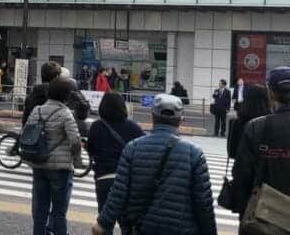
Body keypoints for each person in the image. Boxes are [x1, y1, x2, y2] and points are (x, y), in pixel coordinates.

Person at [91, 94, 217, 235]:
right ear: (180, 120)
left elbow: (118, 192)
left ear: (152, 117)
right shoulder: (194, 153)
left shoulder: (132, 148)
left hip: (141, 228)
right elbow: (203, 203)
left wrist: (104, 222)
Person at [232, 66, 290, 219]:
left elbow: (241, 175)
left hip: (263, 216)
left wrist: (244, 211)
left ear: (270, 93)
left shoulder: (256, 126)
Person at [29, 78, 83, 235]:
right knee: (59, 211)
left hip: (39, 164)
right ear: (65, 95)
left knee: (40, 209)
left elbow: (27, 134)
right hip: (60, 168)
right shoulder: (65, 113)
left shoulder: (37, 110)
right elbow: (75, 140)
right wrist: (77, 160)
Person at [87, 92, 145, 213]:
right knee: (127, 223)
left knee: (104, 222)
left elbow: (91, 150)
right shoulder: (134, 127)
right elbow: (143, 152)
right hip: (126, 180)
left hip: (104, 178)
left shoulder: (96, 126)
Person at [227, 84, 270, 159]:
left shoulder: (237, 122)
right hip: (264, 167)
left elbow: (231, 152)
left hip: (242, 166)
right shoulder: (270, 122)